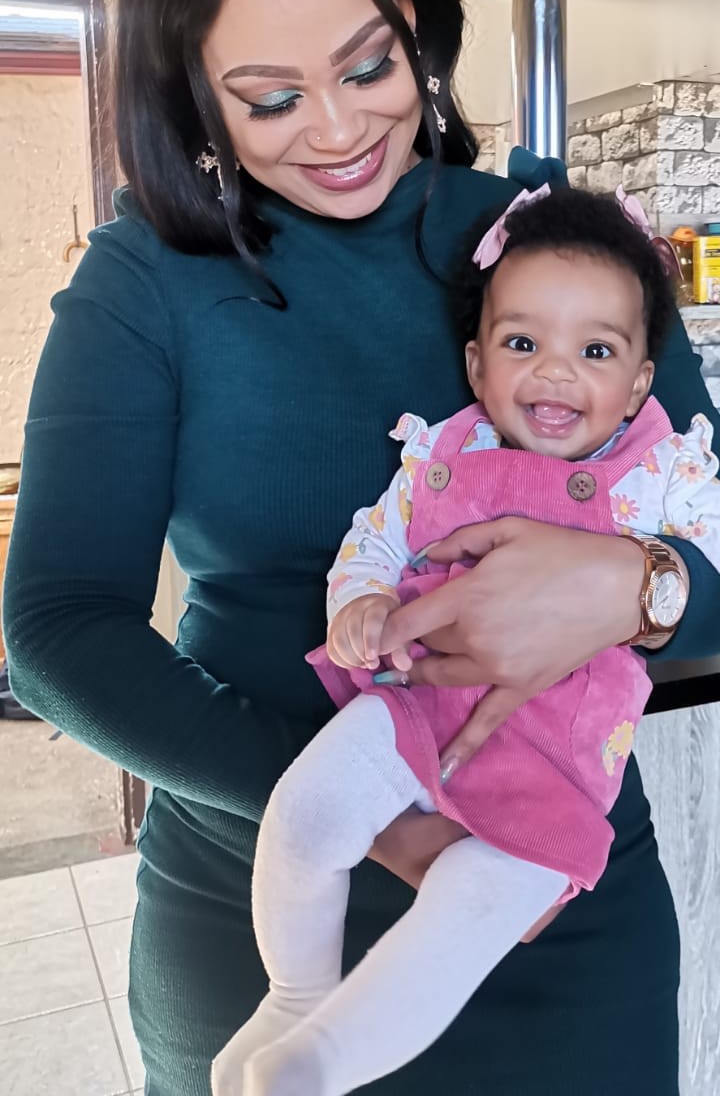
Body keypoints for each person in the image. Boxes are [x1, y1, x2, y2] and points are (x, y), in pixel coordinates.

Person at [3, 0, 719, 1096]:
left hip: (554, 913)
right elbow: (57, 628)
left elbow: (709, 538)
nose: (337, 130)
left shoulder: (550, 248)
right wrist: (376, 814)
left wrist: (637, 583)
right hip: (268, 905)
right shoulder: (143, 284)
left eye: (369, 65)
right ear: (194, 94)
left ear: (420, 24)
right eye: (270, 97)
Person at [211, 185, 719, 1096]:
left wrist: (646, 574)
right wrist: (361, 602)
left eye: (595, 351)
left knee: (471, 910)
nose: (555, 374)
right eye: (524, 345)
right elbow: (374, 541)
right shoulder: (442, 454)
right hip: (414, 703)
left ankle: (321, 1062)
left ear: (642, 382)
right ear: (478, 366)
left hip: (557, 762)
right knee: (305, 815)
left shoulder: (662, 472)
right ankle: (296, 996)